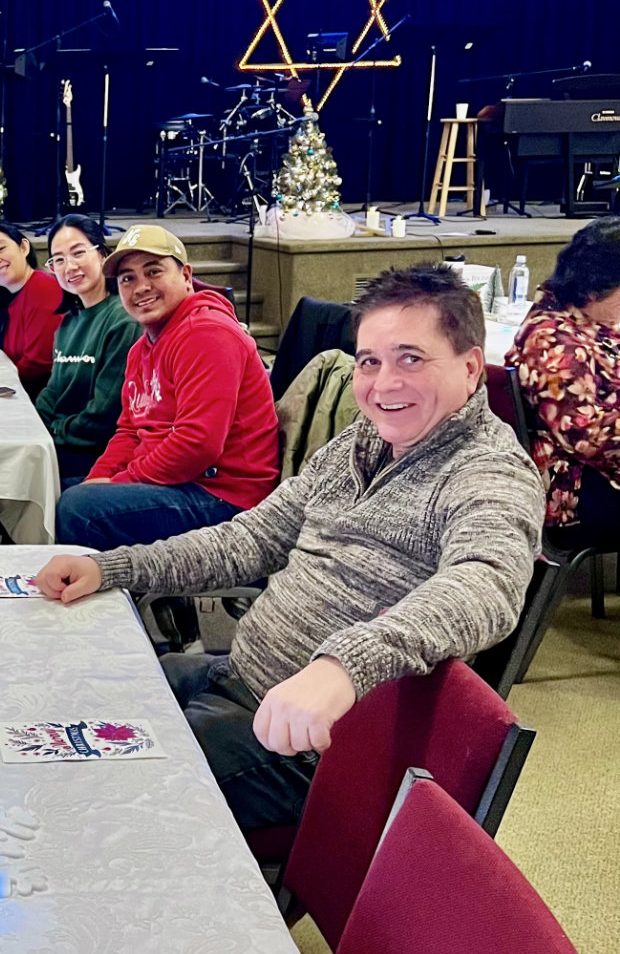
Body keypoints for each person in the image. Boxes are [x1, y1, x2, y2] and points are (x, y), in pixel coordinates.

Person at [37, 264, 544, 831]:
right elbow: (250, 539)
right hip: (238, 677)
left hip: (313, 748)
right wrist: (112, 568)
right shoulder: (363, 441)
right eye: (369, 361)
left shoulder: (489, 472)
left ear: (470, 367)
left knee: (86, 790)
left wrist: (343, 667)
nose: (382, 385)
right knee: (66, 701)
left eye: (411, 358)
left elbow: (486, 583)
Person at [55, 225, 279, 549]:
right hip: (180, 482)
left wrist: (119, 482)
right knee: (61, 490)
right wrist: (98, 478)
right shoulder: (141, 348)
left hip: (226, 496)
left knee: (79, 510)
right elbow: (130, 431)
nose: (141, 287)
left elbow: (197, 445)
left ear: (186, 276)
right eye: (128, 278)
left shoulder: (207, 334)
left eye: (153, 271)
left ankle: (111, 580)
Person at [508, 216, 620, 527]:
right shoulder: (552, 339)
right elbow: (588, 437)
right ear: (594, 290)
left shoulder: (594, 319)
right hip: (575, 487)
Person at [34, 215, 140, 485]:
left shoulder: (123, 321)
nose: (69, 266)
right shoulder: (69, 322)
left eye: (78, 253)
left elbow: (104, 415)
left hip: (93, 450)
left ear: (102, 254)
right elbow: (52, 391)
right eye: (58, 259)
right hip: (61, 439)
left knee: (6, 474)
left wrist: (51, 433)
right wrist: (33, 428)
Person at [0, 221, 65, 395]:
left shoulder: (42, 288)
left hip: (43, 395)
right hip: (22, 388)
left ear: (23, 247)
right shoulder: (7, 297)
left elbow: (38, 364)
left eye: (0, 249)